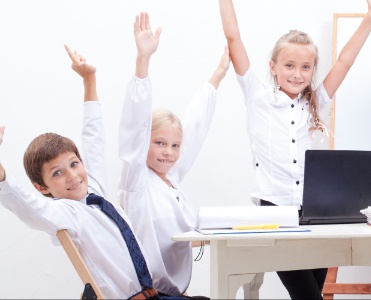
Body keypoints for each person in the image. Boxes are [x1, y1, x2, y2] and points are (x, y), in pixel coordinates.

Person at [218, 0, 371, 298]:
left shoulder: (316, 101)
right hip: (276, 212)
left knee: (312, 293)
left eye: (306, 67)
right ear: (273, 67)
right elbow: (234, 39)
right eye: (289, 65)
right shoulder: (257, 96)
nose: (297, 74)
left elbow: (345, 61)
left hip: (317, 213)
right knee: (308, 296)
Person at [0, 46, 163, 299]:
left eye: (74, 164)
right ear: (42, 187)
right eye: (57, 173)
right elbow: (25, 205)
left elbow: (94, 138)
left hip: (154, 294)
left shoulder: (95, 192)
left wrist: (90, 80)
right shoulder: (64, 213)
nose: (72, 176)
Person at [119, 12, 229, 298]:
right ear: (145, 142)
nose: (168, 152)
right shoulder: (137, 181)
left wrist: (217, 76)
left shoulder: (172, 179)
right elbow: (135, 125)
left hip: (175, 293)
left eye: (175, 146)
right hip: (151, 293)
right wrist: (143, 61)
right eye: (159, 143)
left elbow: (194, 125)